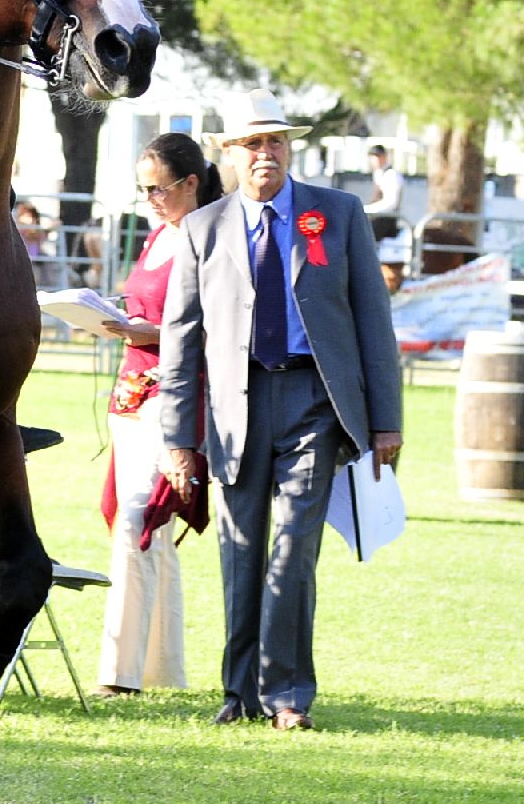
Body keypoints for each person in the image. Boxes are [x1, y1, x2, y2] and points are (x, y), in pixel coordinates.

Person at [159, 91, 404, 732]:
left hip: (314, 404)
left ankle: (288, 694)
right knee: (241, 553)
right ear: (231, 156)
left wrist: (386, 421)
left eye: (274, 142)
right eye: (251, 144)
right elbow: (181, 342)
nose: (264, 154)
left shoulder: (338, 214)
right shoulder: (202, 229)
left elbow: (374, 323)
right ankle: (237, 693)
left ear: (288, 148)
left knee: (294, 550)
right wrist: (178, 439)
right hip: (234, 409)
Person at [94, 132, 226, 697]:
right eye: (142, 189)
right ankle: (163, 667)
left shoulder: (214, 237)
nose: (149, 198)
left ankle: (119, 675)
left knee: (139, 524)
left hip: (175, 398)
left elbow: (217, 325)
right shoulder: (158, 236)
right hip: (130, 394)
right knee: (151, 528)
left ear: (190, 183)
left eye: (158, 188)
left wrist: (155, 333)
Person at [362, 144, 404, 242]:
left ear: (385, 157)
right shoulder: (378, 174)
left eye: (379, 156)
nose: (376, 160)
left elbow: (391, 203)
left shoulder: (391, 175)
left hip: (387, 218)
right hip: (378, 216)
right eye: (373, 157)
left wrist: (368, 209)